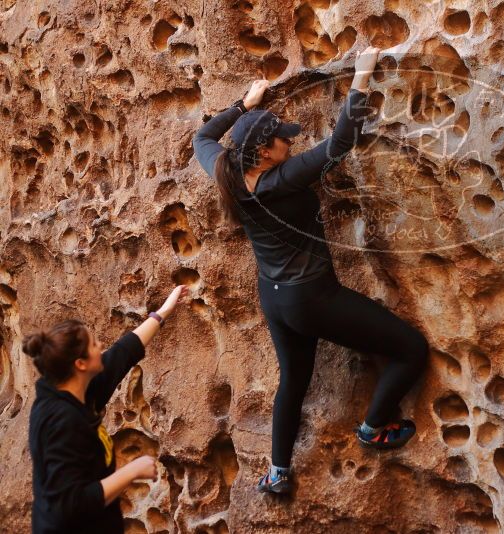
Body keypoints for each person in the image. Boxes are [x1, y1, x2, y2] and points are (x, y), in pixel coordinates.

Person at [192, 47, 429, 495]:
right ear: (263, 151)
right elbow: (340, 143)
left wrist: (244, 105)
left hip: (276, 298)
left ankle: (278, 473)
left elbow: (201, 138)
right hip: (313, 298)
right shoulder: (284, 180)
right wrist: (362, 75)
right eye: (282, 138)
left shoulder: (225, 170)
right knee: (411, 349)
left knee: (293, 381)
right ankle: (375, 427)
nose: (290, 141)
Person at [25, 285, 189, 533]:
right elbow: (69, 504)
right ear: (80, 364)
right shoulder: (62, 422)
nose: (101, 345)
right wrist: (131, 471)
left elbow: (123, 354)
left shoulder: (79, 392)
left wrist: (163, 311)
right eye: (94, 344)